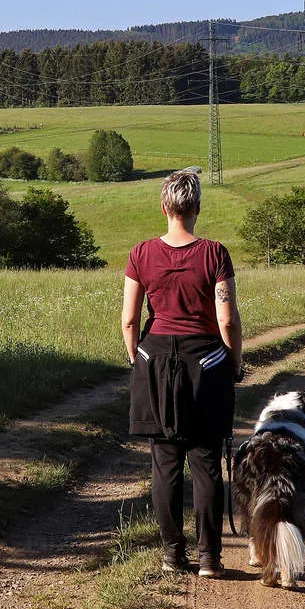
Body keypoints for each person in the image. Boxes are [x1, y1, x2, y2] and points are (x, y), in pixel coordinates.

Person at [121, 167, 243, 577]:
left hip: (154, 361)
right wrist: (234, 363)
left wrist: (137, 360)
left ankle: (173, 555)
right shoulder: (214, 253)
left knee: (165, 462)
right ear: (197, 208)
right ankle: (209, 558)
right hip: (205, 362)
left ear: (164, 207)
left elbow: (129, 320)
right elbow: (227, 320)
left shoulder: (140, 254)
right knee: (206, 461)